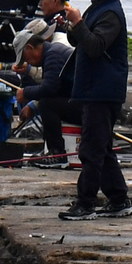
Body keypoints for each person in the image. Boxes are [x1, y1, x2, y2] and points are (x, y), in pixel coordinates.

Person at [60, 0, 132, 221]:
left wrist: (79, 22)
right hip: (93, 89)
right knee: (102, 148)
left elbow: (94, 46)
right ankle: (118, 199)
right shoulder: (98, 9)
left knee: (90, 149)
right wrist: (70, 25)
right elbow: (79, 40)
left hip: (103, 92)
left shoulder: (111, 13)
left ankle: (86, 204)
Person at [12, 21, 79, 169]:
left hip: (90, 105)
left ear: (30, 48)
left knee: (47, 104)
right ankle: (52, 151)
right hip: (84, 101)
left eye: (25, 58)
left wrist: (26, 92)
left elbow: (50, 89)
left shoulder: (53, 55)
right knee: (48, 102)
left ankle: (57, 154)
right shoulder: (52, 52)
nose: (27, 62)